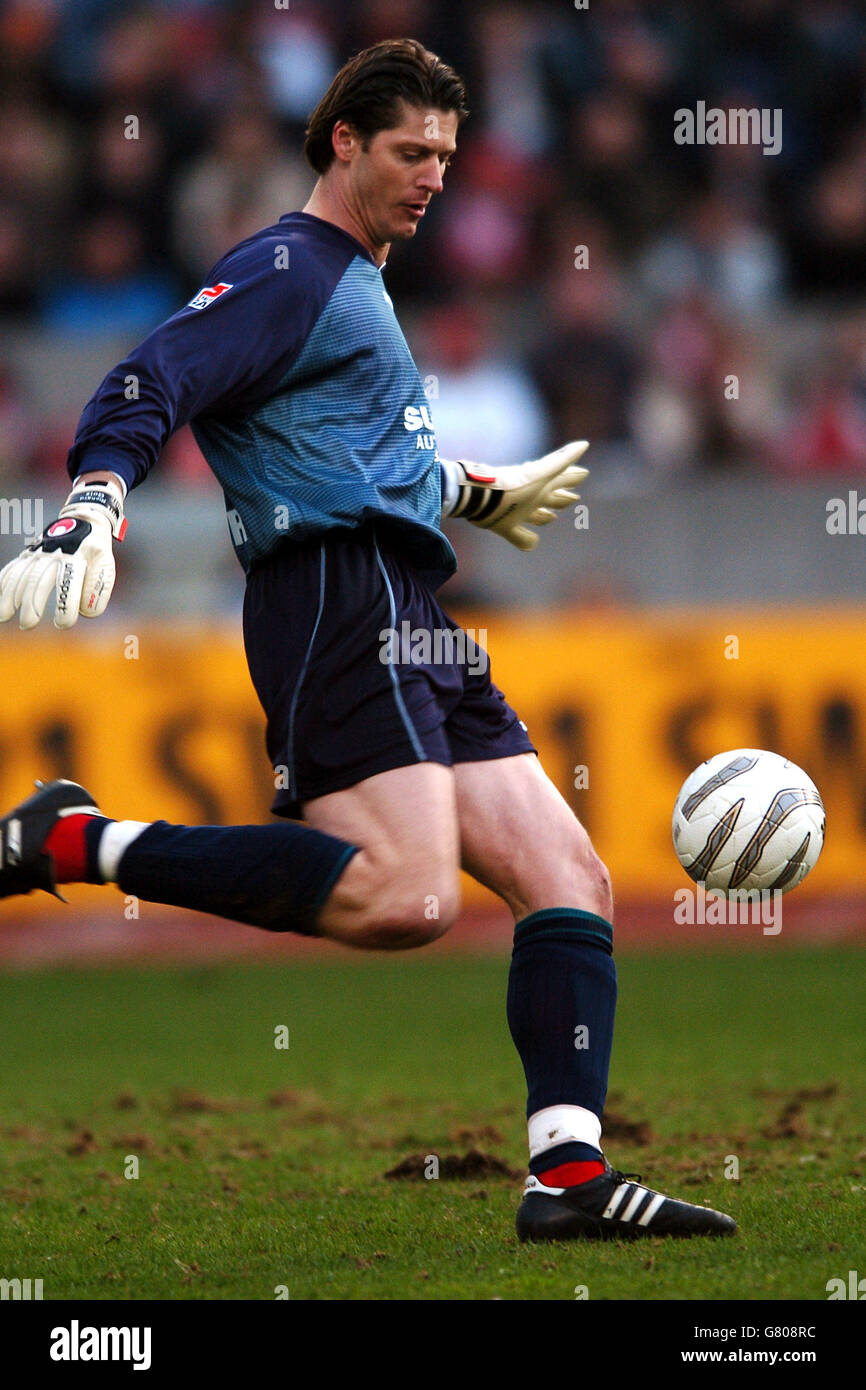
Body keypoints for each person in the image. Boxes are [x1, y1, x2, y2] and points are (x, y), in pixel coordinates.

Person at [0, 38, 735, 1243]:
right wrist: (92, 504)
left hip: (411, 603)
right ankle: (76, 839)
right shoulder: (290, 264)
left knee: (568, 878)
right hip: (338, 600)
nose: (434, 174)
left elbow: (347, 447)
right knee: (404, 897)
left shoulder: (353, 282)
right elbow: (151, 380)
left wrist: (468, 489)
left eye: (446, 153)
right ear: (341, 140)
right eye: (408, 150)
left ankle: (567, 1180)